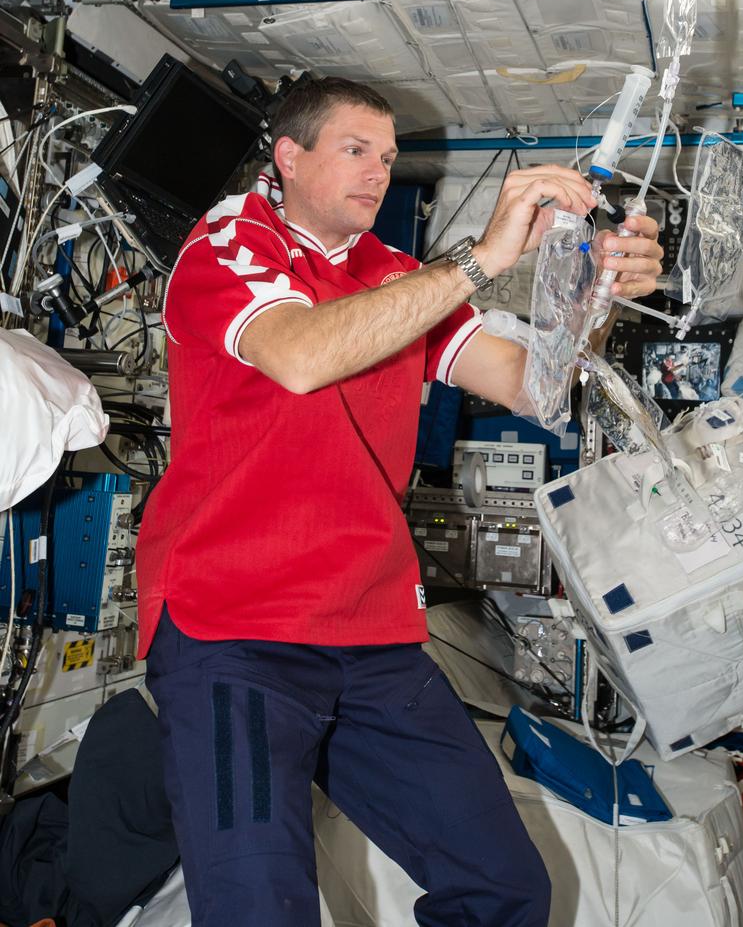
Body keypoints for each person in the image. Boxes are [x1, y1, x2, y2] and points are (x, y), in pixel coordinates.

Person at [136, 76, 664, 927]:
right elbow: (301, 355)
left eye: (386, 157)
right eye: (355, 149)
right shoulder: (231, 242)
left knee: (505, 889)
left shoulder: (394, 275)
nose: (378, 172)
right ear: (288, 155)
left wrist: (595, 296)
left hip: (369, 633)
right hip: (234, 629)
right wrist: (483, 257)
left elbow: (534, 384)